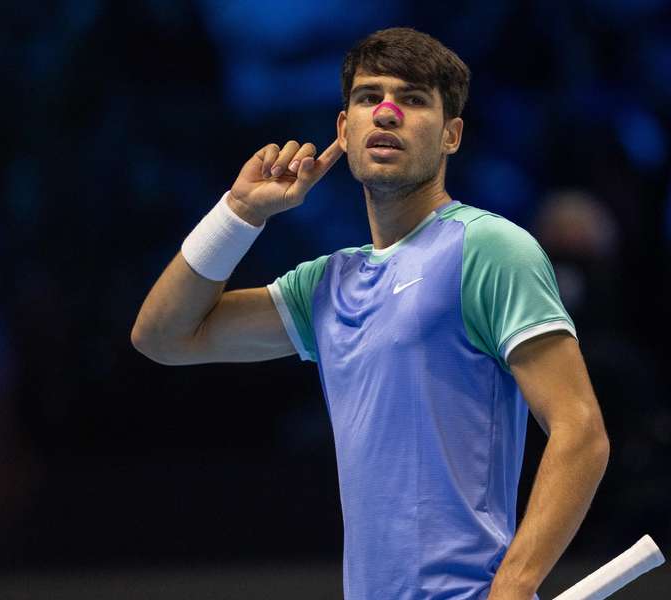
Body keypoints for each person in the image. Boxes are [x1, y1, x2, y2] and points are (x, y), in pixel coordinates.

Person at [132, 27, 609, 600]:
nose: (386, 113)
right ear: (344, 127)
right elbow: (163, 336)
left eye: (413, 99)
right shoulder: (328, 283)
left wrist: (514, 585)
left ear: (451, 135)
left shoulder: (489, 248)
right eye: (368, 97)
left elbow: (580, 431)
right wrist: (239, 214)